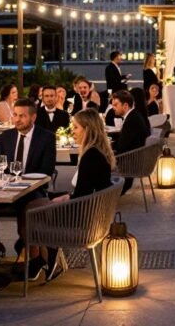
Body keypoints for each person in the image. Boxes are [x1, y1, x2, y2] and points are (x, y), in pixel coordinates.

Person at [0, 98, 56, 280]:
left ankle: (30, 251)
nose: (17, 119)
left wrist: (23, 182)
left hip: (33, 190)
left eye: (22, 116)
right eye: (15, 115)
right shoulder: (7, 137)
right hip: (6, 189)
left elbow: (47, 170)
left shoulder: (46, 137)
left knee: (27, 208)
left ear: (33, 117)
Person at [43, 108, 116, 281]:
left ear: (88, 129)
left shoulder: (91, 156)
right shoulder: (98, 151)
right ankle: (46, 257)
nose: (72, 131)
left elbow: (81, 196)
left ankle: (44, 258)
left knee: (36, 211)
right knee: (44, 198)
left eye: (75, 127)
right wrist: (66, 196)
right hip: (96, 212)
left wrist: (65, 199)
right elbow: (84, 191)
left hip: (85, 218)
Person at [113, 90, 150, 194]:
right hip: (134, 158)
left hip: (130, 161)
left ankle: (99, 196)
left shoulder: (131, 121)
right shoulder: (135, 115)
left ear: (125, 106)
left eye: (116, 105)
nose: (113, 108)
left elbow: (122, 147)